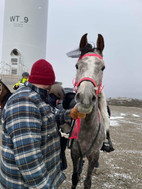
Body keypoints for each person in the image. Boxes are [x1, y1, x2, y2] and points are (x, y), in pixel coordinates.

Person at [0, 59, 86, 189]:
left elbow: (48, 119)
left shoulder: (37, 98)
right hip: (22, 185)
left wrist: (70, 113)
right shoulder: (25, 103)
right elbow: (28, 160)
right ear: (51, 83)